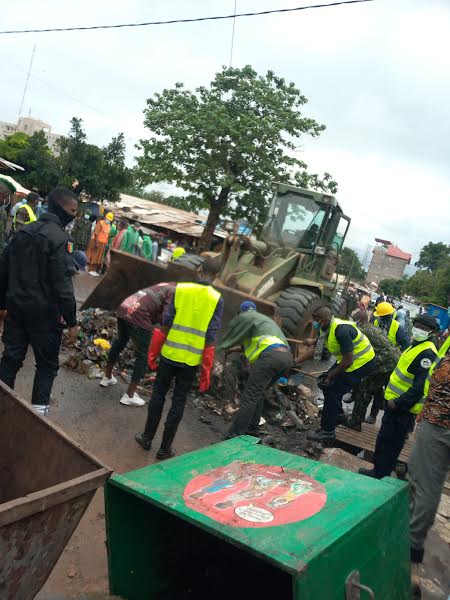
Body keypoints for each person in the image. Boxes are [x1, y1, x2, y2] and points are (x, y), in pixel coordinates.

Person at [0, 186, 78, 416]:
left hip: (16, 309)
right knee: (46, 365)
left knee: (10, 360)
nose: (75, 215)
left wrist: (2, 305)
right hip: (45, 318)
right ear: (62, 209)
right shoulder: (61, 239)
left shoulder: (24, 232)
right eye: (73, 210)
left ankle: (3, 410)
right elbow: (63, 287)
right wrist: (72, 322)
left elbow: (2, 269)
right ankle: (38, 416)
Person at [135, 259, 223, 458]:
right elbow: (210, 338)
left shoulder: (180, 289)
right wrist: (206, 372)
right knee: (178, 401)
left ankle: (147, 438)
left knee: (158, 396)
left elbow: (166, 323)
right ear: (217, 277)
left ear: (199, 270)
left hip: (169, 355)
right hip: (190, 362)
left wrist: (153, 352)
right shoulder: (216, 298)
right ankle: (165, 449)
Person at [359, 314, 439, 479]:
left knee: (391, 443)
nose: (419, 330)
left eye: (424, 329)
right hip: (395, 404)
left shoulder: (427, 353)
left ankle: (381, 474)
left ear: (431, 332)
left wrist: (399, 402)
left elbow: (420, 387)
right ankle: (380, 471)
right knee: (385, 440)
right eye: (417, 326)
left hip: (402, 408)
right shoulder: (416, 345)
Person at [409, 336, 450, 596]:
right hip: (433, 421)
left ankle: (410, 556)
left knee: (425, 491)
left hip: (438, 425)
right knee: (422, 489)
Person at [218, 301, 293, 438]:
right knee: (259, 393)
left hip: (270, 357)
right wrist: (231, 350)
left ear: (242, 312)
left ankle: (233, 435)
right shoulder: (262, 321)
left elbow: (232, 337)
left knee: (249, 397)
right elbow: (247, 346)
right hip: (286, 357)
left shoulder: (246, 318)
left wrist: (223, 347)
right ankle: (252, 430)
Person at [306, 306, 376, 444]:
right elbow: (321, 342)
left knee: (332, 390)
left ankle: (327, 432)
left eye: (316, 320)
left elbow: (348, 361)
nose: (314, 323)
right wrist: (312, 342)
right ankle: (336, 415)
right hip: (350, 360)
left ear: (324, 319)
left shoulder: (341, 330)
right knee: (326, 385)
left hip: (361, 362)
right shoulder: (326, 326)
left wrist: (331, 374)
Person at [100, 282, 176, 406]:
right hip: (140, 313)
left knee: (120, 340)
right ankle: (129, 395)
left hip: (126, 305)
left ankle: (107, 377)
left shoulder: (166, 283)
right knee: (142, 355)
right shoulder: (175, 290)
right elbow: (166, 316)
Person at [346, 322, 401, 430]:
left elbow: (353, 354)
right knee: (377, 388)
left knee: (364, 390)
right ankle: (377, 417)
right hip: (394, 360)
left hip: (385, 362)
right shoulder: (369, 326)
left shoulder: (358, 332)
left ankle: (356, 422)